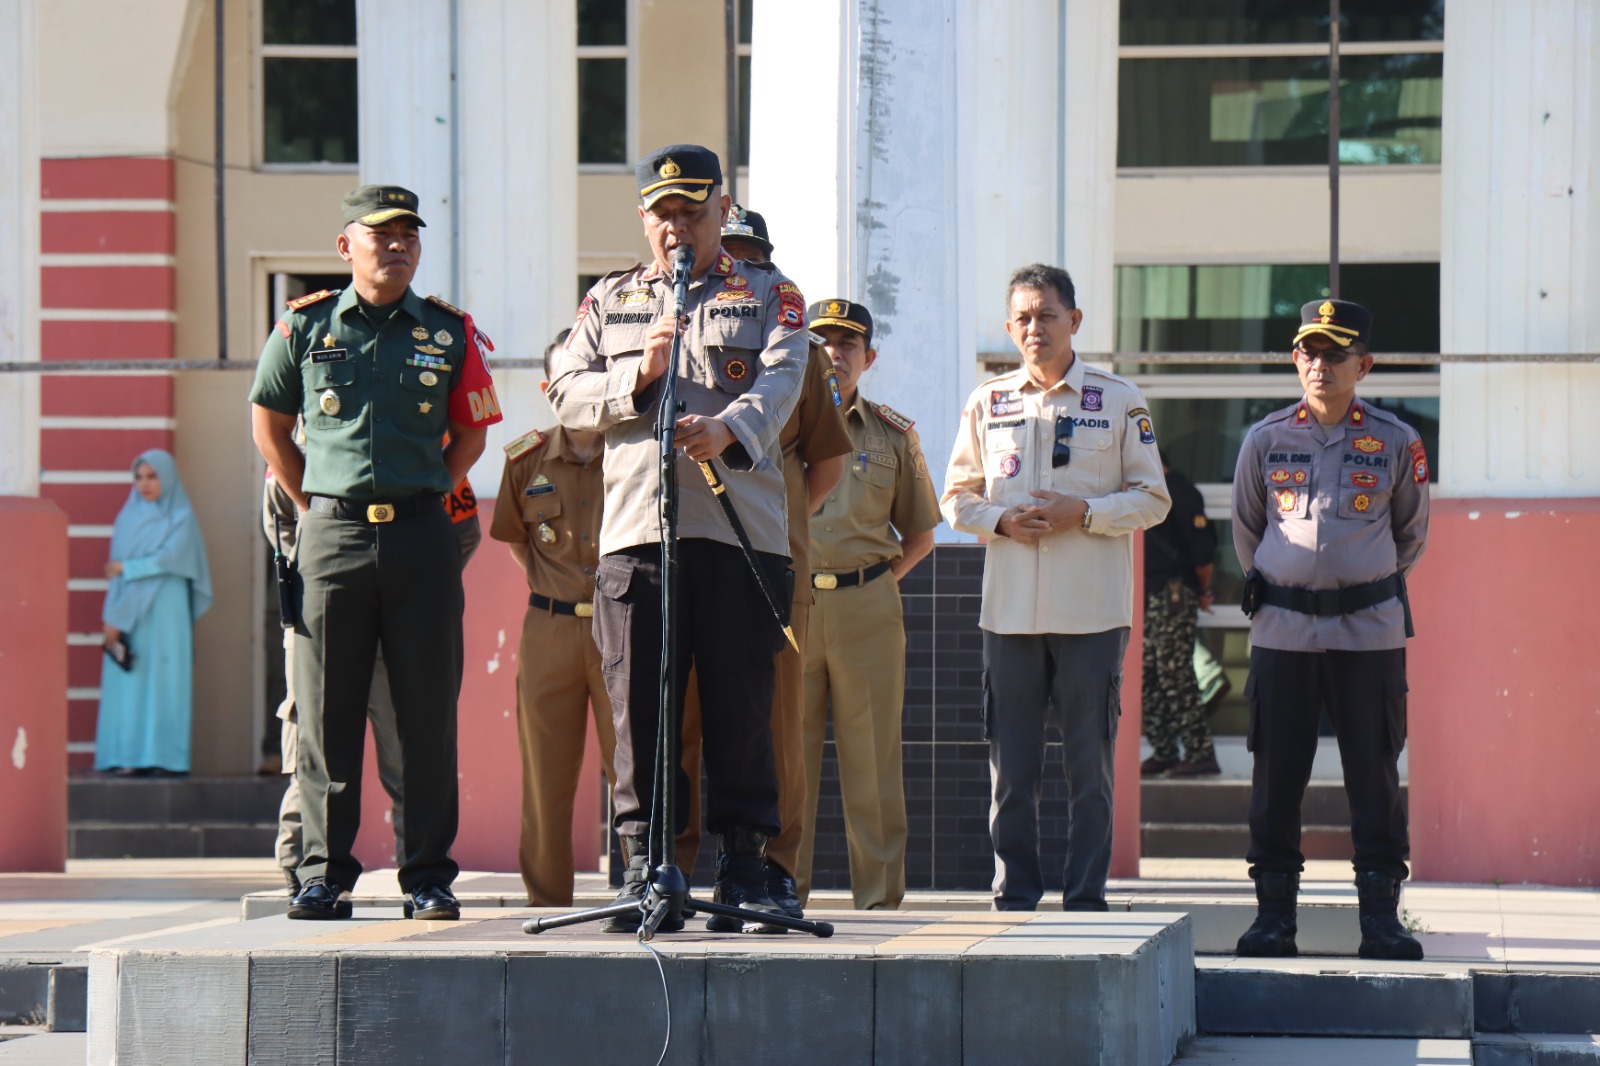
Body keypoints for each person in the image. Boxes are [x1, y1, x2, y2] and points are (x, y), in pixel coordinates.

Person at [547, 145, 809, 933]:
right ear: (643, 219)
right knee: (640, 709)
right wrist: (638, 376)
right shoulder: (611, 299)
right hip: (637, 535)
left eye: (692, 212)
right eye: (663, 214)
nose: (677, 228)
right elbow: (565, 389)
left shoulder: (768, 292)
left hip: (738, 535)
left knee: (741, 706)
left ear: (722, 211)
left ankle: (744, 868)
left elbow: (784, 376)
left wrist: (729, 429)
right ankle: (645, 865)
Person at [248, 184, 502, 921]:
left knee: (426, 717)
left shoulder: (449, 332)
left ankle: (426, 877)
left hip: (422, 537)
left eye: (408, 235)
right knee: (326, 718)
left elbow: (474, 431)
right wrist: (311, 504)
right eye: (381, 234)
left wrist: (431, 487)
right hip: (332, 538)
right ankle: (323, 875)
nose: (397, 246)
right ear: (346, 246)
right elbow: (269, 425)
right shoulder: (303, 327)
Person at [941, 263, 1169, 911]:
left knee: (1088, 771)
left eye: (1046, 314)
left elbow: (1153, 498)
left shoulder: (1118, 399)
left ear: (1075, 320)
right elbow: (956, 498)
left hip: (1091, 615)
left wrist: (1085, 513)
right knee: (1012, 770)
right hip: (1009, 615)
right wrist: (1002, 520)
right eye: (1022, 318)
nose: (1034, 327)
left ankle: (1085, 896)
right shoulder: (988, 401)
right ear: (1009, 327)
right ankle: (1015, 892)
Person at [1231, 299, 1429, 960]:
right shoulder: (1265, 439)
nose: (1320, 365)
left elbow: (1410, 534)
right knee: (1275, 778)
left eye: (1335, 354)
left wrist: (1354, 581)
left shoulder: (1397, 440)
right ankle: (1273, 921)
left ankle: (1381, 922)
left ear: (1363, 366)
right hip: (1283, 634)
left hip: (1367, 635)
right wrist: (1292, 580)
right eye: (1309, 352)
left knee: (1374, 778)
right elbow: (1248, 530)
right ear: (1296, 359)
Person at [674, 204, 852, 919]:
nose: (735, 273)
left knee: (768, 722)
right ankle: (667, 867)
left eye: (749, 258)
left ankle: (769, 870)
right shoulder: (670, 323)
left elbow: (826, 460)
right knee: (674, 718)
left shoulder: (793, 344)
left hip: (760, 558)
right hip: (678, 549)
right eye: (728, 256)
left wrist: (773, 519)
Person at [264, 457, 483, 897]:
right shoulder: (290, 461)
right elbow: (281, 530)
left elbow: (462, 530)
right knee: (312, 754)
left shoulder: (424, 458)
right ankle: (303, 875)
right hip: (320, 625)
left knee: (408, 764)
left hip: (398, 640)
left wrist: (405, 591)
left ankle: (421, 880)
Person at [795, 298, 939, 910]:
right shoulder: (779, 425)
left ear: (869, 357)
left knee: (873, 759)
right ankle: (781, 892)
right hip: (794, 608)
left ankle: (879, 899)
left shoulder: (892, 434)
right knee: (788, 758)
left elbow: (921, 536)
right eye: (822, 342)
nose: (834, 353)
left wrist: (875, 582)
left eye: (847, 344)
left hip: (868, 608)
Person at [490, 331, 618, 907]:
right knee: (546, 774)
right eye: (570, 377)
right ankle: (546, 903)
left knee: (634, 768)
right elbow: (520, 544)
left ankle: (643, 889)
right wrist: (559, 591)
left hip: (622, 629)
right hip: (550, 629)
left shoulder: (635, 452)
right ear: (550, 389)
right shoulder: (525, 460)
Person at [95, 450, 213, 776]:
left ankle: (166, 758)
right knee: (131, 681)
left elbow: (172, 558)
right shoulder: (127, 519)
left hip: (167, 611)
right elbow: (115, 576)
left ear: (167, 478)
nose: (145, 484)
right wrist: (113, 618)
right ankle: (128, 757)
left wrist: (128, 567)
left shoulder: (182, 518)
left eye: (152, 476)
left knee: (167, 679)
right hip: (132, 616)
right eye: (139, 477)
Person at [1140, 453, 1221, 778]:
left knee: (1175, 673)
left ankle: (1201, 753)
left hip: (1174, 594)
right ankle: (1165, 752)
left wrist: (1202, 590)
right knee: (1148, 675)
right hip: (1150, 596)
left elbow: (1203, 554)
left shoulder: (1181, 491)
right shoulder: (1145, 493)